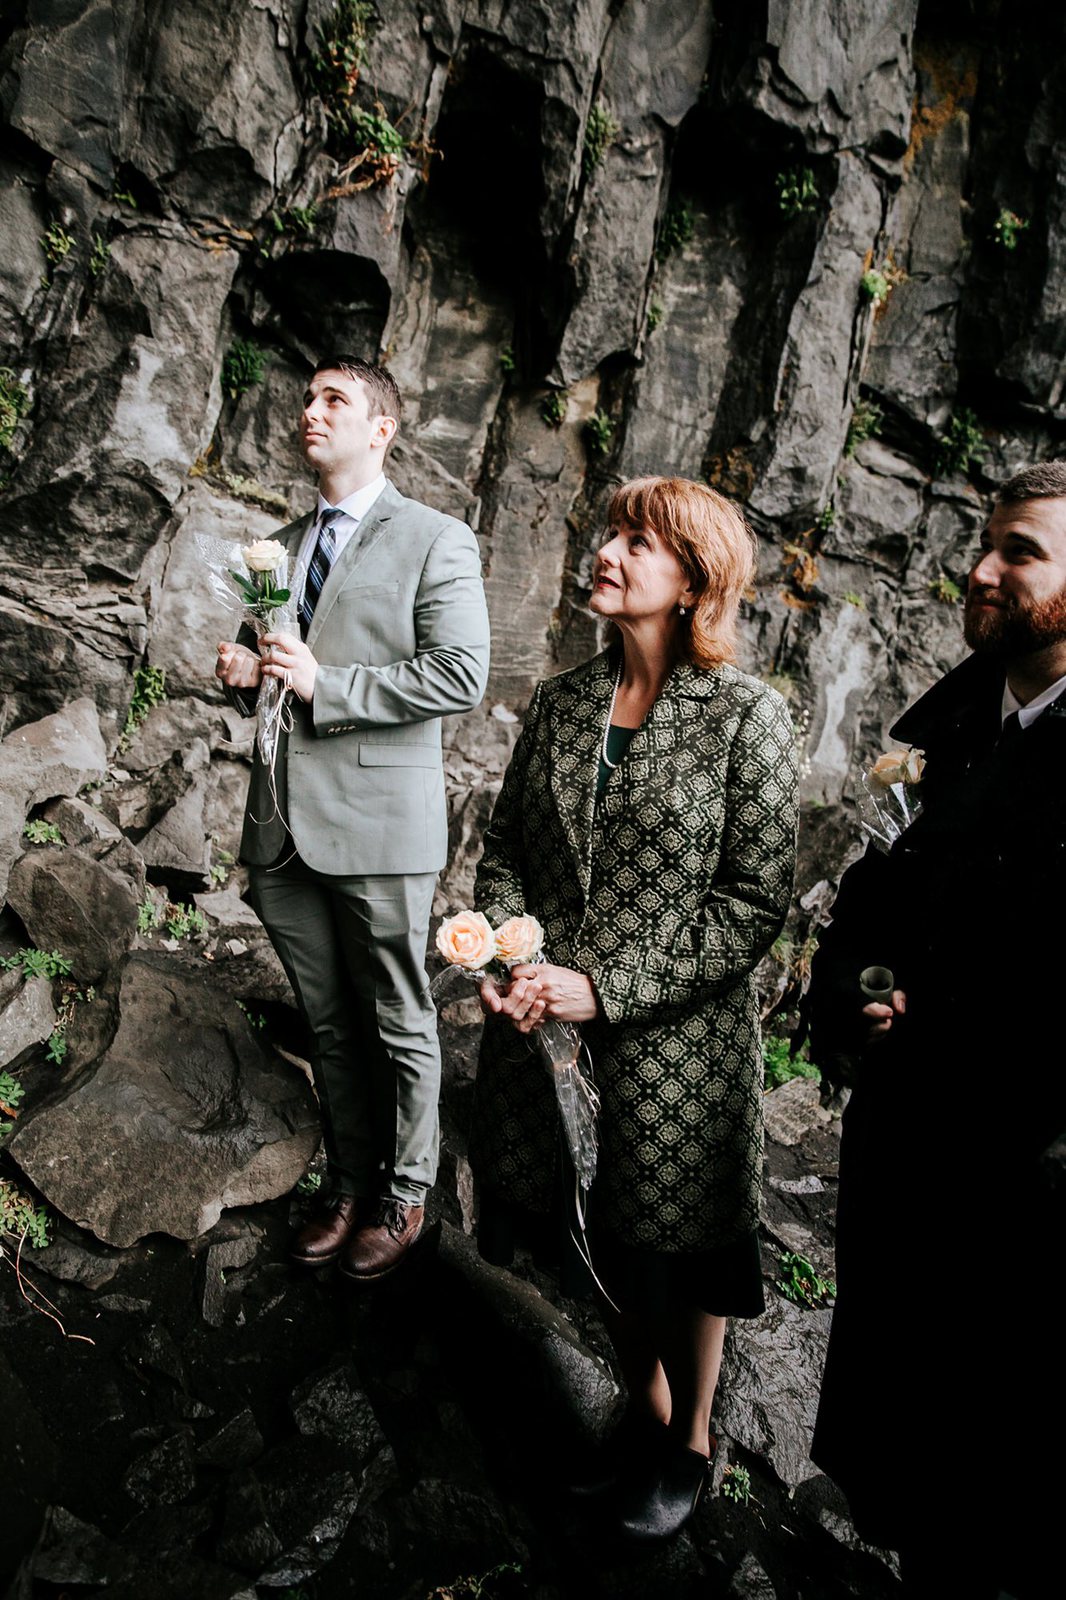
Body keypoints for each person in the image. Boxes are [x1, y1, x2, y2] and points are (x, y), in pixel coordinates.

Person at [468, 476, 798, 1541]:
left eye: (637, 541)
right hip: (546, 1038)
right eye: (610, 532)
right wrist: (511, 952)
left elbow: (753, 901)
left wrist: (607, 988)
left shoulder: (747, 714)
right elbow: (507, 849)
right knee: (578, 1231)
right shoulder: (563, 701)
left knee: (678, 1249)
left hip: (680, 1051)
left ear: (694, 578)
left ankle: (689, 1439)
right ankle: (646, 1407)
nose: (606, 551)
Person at [807, 462, 1066, 1596]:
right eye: (985, 542)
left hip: (1028, 1187)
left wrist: (954, 1022)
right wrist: (851, 997)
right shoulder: (955, 724)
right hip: (911, 1151)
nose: (982, 567)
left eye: (1021, 550)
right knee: (912, 1460)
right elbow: (876, 902)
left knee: (1004, 1485)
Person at [215, 355, 490, 1280]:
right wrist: (248, 677)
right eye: (304, 398)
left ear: (382, 428)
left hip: (379, 821)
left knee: (401, 1018)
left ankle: (407, 1196)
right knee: (329, 1021)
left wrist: (327, 683)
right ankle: (348, 1181)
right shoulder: (281, 544)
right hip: (281, 825)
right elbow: (282, 679)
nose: (310, 412)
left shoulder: (435, 537)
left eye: (334, 399)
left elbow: (459, 675)